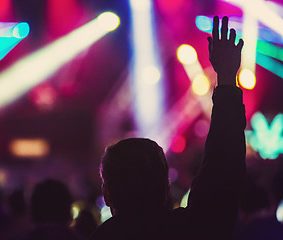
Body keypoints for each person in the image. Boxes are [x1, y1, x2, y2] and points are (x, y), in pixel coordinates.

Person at [90, 16, 246, 240]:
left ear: (106, 194)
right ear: (166, 185)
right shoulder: (191, 230)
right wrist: (227, 79)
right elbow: (224, 169)